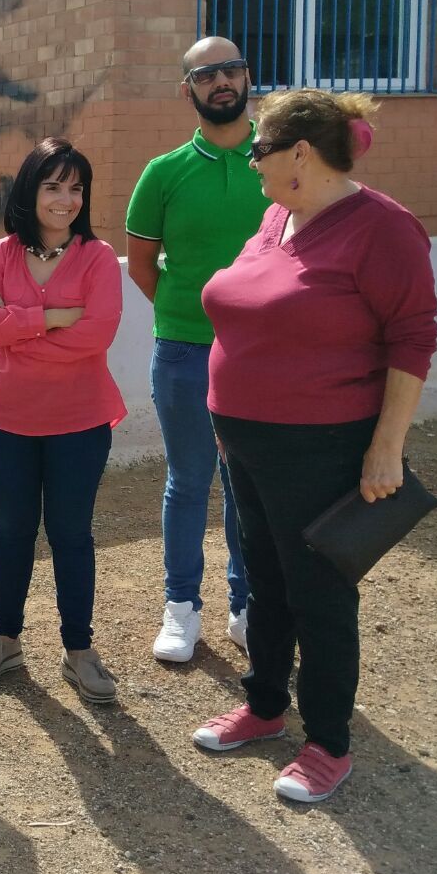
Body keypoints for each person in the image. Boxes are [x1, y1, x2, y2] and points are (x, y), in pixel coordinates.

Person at [194, 90, 437, 804]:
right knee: (265, 578)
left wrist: (385, 447)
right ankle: (265, 705)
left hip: (321, 446)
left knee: (318, 593)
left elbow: (412, 337)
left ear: (299, 152)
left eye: (257, 149)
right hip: (245, 440)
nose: (251, 161)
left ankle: (328, 742)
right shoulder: (278, 216)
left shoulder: (382, 229)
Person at [0, 138, 125, 704]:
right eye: (53, 185)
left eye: (75, 188)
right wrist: (53, 317)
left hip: (80, 421)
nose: (66, 199)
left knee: (71, 534)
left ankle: (79, 650)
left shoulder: (98, 258)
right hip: (6, 419)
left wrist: (19, 330)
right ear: (30, 191)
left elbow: (97, 334)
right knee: (12, 531)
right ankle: (5, 638)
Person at [125, 36, 269, 663]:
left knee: (249, 485)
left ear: (246, 77)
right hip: (184, 349)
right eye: (205, 75)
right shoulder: (163, 173)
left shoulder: (283, 158)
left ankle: (247, 606)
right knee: (189, 480)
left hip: (266, 355)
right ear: (187, 90)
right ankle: (181, 607)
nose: (221, 82)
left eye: (230, 69)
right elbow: (140, 267)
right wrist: (191, 313)